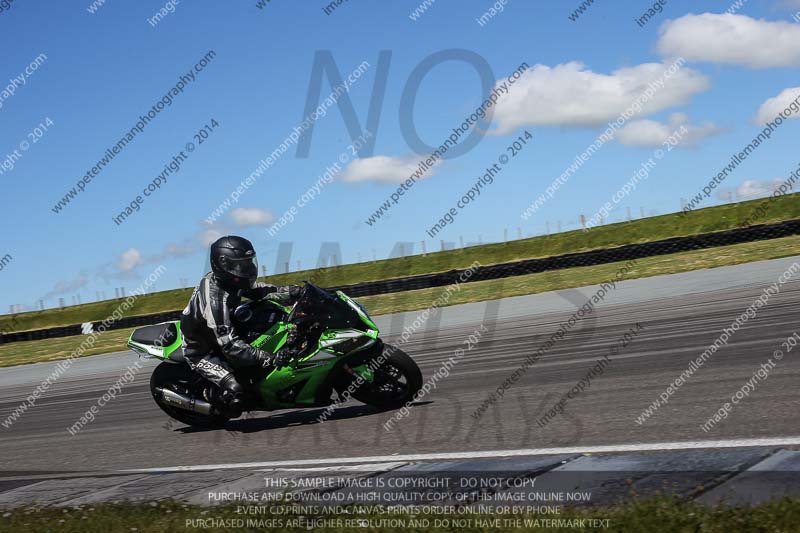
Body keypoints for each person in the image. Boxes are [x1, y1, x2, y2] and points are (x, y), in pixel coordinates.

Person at [180, 235, 302, 415]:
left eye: (248, 262)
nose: (247, 268)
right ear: (223, 264)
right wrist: (268, 357)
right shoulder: (216, 300)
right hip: (202, 350)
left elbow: (260, 291)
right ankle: (214, 398)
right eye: (240, 264)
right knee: (237, 390)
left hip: (225, 328)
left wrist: (295, 292)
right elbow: (229, 345)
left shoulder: (228, 280)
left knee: (269, 314)